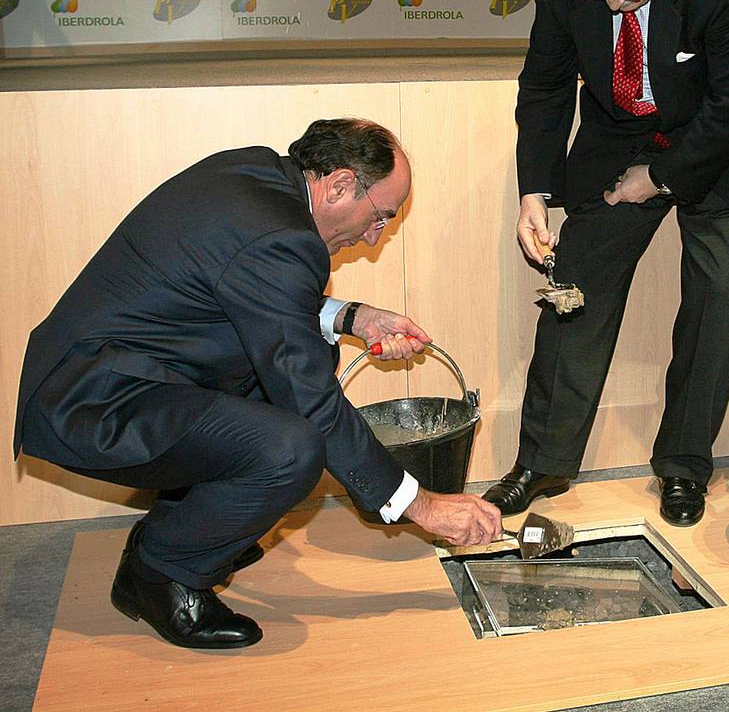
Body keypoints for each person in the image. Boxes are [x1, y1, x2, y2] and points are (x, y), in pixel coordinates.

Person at [14, 119, 504, 650]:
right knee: (292, 447)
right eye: (381, 215)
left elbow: (241, 290)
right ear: (340, 185)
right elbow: (312, 401)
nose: (374, 234)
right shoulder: (281, 239)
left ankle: (197, 526)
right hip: (91, 404)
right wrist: (424, 506)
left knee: (309, 353)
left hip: (109, 372)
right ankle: (158, 572)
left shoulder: (258, 176)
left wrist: (353, 317)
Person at [484, 0, 729, 526]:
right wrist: (533, 191)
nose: (616, 6)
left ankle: (684, 466)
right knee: (577, 284)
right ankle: (542, 461)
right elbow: (544, 82)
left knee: (720, 292)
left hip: (725, 139)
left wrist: (661, 179)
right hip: (620, 129)